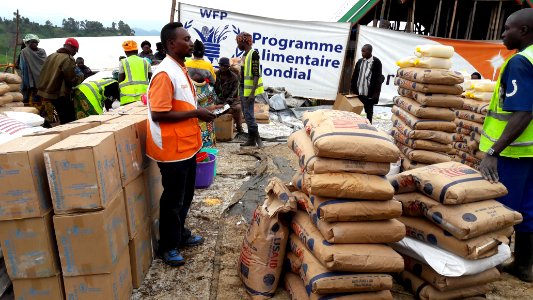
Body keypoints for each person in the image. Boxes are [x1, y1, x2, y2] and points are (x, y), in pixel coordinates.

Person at [146, 22, 215, 267]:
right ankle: (168, 246)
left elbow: (182, 105)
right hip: (171, 150)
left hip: (186, 146)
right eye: (185, 39)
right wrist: (197, 114)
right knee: (173, 200)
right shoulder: (165, 73)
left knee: (185, 196)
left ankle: (180, 235)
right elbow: (158, 114)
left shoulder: (180, 68)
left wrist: (201, 111)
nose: (190, 42)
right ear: (171, 44)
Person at [479, 8, 533, 283]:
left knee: (499, 212)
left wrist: (492, 151)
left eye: (508, 27)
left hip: (514, 152)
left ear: (523, 31)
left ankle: (489, 270)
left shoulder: (521, 62)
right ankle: (523, 266)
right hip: (531, 152)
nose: (502, 33)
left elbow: (523, 112)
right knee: (529, 209)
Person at [37, 38, 84, 125]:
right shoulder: (68, 59)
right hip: (59, 94)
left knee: (61, 115)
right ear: (72, 48)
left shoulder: (51, 56)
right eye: (75, 51)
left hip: (47, 92)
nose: (75, 54)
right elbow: (71, 80)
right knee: (69, 119)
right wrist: (80, 77)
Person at [236, 32, 264, 147]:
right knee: (246, 115)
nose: (237, 45)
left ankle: (258, 139)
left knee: (249, 115)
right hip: (243, 89)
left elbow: (256, 74)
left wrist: (252, 93)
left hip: (249, 91)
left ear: (243, 41)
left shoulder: (254, 54)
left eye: (238, 42)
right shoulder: (244, 55)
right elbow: (242, 73)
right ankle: (251, 140)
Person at [350, 44, 384, 123]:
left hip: (368, 94)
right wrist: (352, 89)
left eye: (364, 51)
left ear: (370, 51)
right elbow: (354, 76)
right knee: (356, 111)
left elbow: (378, 79)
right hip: (358, 92)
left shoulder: (376, 62)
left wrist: (375, 95)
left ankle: (369, 127)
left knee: (369, 112)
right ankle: (355, 125)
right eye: (362, 51)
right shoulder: (359, 61)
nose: (362, 53)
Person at [190, 73, 221, 148]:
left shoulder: (190, 88)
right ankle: (209, 151)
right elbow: (215, 100)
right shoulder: (210, 88)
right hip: (209, 116)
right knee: (209, 134)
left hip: (195, 117)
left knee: (198, 137)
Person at [118, 40, 152, 105]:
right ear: (137, 51)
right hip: (144, 98)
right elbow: (152, 80)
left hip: (127, 98)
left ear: (125, 52)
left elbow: (120, 80)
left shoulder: (123, 62)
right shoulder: (146, 62)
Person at [215, 57, 243, 133]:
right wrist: (217, 100)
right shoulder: (215, 75)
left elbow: (234, 92)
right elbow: (212, 90)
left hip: (230, 100)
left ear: (228, 67)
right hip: (218, 99)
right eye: (222, 65)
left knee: (238, 107)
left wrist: (227, 102)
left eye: (225, 66)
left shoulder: (234, 77)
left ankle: (239, 128)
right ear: (219, 66)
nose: (223, 67)